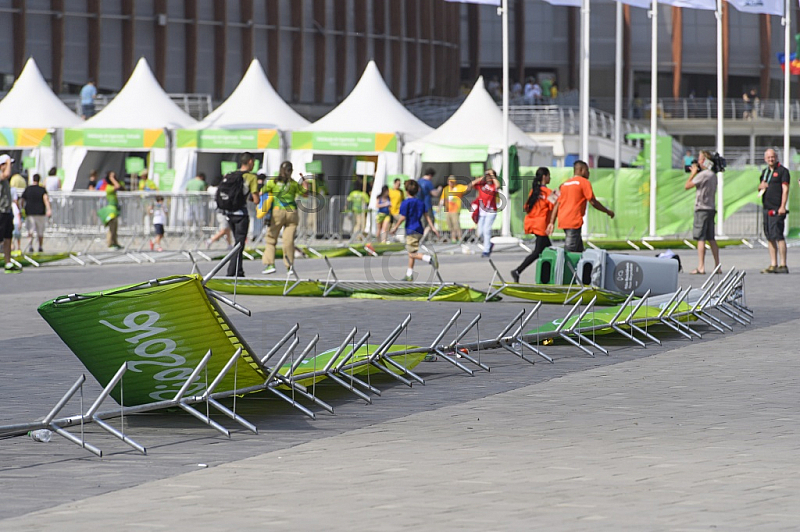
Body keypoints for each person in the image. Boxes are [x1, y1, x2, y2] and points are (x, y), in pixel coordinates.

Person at [547, 160, 614, 253]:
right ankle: (562, 267)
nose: (588, 173)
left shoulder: (564, 184)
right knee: (569, 252)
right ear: (581, 170)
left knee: (579, 251)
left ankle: (582, 267)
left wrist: (551, 222)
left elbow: (557, 204)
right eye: (587, 170)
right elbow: (593, 202)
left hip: (563, 220)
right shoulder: (584, 182)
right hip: (573, 221)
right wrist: (607, 211)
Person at [261, 161, 310, 275]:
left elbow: (262, 192)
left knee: (271, 239)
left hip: (277, 211)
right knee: (288, 241)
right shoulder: (293, 184)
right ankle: (289, 267)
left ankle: (270, 264)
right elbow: (305, 193)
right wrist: (304, 181)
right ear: (291, 171)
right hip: (292, 212)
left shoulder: (273, 182)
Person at [511, 167, 557, 283]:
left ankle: (548, 277)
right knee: (539, 251)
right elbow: (554, 208)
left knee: (548, 250)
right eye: (548, 175)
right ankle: (517, 271)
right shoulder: (548, 193)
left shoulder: (534, 191)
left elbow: (526, 207)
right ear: (544, 177)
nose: (550, 178)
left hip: (532, 222)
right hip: (541, 225)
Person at [389, 179, 439, 281]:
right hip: (419, 229)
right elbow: (427, 216)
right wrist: (433, 227)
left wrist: (395, 227)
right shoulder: (421, 202)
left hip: (411, 230)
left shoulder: (406, 203)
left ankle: (429, 259)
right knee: (412, 252)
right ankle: (409, 274)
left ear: (406, 191)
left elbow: (403, 217)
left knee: (411, 253)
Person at [220, 152, 260, 278]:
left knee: (238, 242)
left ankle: (239, 271)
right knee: (239, 244)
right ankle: (231, 272)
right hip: (241, 215)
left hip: (230, 213)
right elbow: (256, 199)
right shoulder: (251, 177)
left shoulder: (231, 174)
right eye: (253, 162)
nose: (254, 165)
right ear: (249, 162)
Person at [684, 150, 720, 274]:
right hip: (710, 208)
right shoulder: (713, 175)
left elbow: (687, 185)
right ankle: (717, 266)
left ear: (705, 160)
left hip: (701, 209)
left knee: (701, 238)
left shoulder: (703, 174)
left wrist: (693, 173)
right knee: (711, 238)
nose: (698, 162)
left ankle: (701, 266)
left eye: (700, 159)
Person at [758, 148, 790, 273]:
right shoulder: (765, 172)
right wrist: (760, 186)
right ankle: (773, 264)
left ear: (776, 157)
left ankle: (783, 264)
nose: (771, 159)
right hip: (766, 207)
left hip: (777, 209)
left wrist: (782, 206)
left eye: (772, 157)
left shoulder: (783, 171)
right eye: (768, 157)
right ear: (765, 159)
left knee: (778, 235)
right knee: (770, 236)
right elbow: (761, 187)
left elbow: (785, 189)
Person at [471, 169, 501, 257]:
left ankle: (486, 250)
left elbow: (498, 186)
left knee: (487, 230)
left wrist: (493, 176)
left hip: (491, 211)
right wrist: (482, 177)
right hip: (482, 211)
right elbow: (472, 184)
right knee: (480, 232)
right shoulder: (482, 185)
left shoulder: (493, 186)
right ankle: (489, 244)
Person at [0, 154, 22, 273]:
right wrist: (7, 161)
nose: (10, 166)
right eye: (8, 164)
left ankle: (8, 262)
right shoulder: (2, 175)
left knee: (8, 237)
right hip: (0, 211)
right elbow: (6, 174)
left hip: (6, 211)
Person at [20, 174, 51, 253]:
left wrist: (21, 208)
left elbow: (22, 200)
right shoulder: (42, 189)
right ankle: (40, 246)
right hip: (40, 212)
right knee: (40, 231)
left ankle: (30, 245)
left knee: (30, 231)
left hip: (30, 212)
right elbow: (45, 199)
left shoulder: (28, 189)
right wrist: (48, 209)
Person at [439, 175, 468, 243]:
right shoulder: (446, 189)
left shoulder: (459, 187)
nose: (451, 183)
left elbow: (467, 188)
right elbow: (442, 199)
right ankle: (453, 238)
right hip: (448, 209)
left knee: (456, 224)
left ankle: (460, 237)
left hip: (455, 209)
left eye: (452, 182)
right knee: (450, 225)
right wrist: (439, 206)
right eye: (450, 181)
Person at [419, 168, 440, 238]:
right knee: (430, 221)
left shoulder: (418, 181)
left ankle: (421, 236)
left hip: (419, 205)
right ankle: (424, 236)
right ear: (430, 175)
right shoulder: (428, 182)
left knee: (422, 221)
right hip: (427, 205)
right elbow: (435, 193)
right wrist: (439, 189)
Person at [104, 171, 123, 250]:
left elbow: (121, 186)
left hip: (115, 209)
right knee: (111, 227)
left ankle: (115, 242)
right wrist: (111, 178)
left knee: (115, 227)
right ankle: (110, 243)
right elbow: (117, 186)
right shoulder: (108, 187)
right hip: (110, 209)